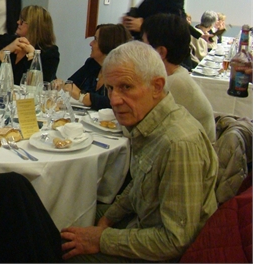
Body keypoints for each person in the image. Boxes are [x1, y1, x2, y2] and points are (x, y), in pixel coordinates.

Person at [61, 41, 218, 262]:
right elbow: (140, 186)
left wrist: (102, 239)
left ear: (157, 86)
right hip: (142, 222)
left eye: (126, 87)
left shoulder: (179, 144)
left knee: (64, 251)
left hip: (165, 254)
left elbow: (176, 241)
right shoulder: (150, 123)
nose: (114, 100)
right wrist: (107, 219)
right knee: (67, 216)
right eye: (110, 88)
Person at [141, 14, 216, 143]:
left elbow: (141, 127)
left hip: (195, 152)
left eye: (144, 45)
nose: (140, 51)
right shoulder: (177, 74)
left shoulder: (174, 83)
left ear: (161, 52)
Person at [53, 24, 131, 110]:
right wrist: (61, 84)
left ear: (107, 43)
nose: (91, 44)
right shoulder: (92, 64)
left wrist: (83, 96)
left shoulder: (122, 74)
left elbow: (117, 102)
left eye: (95, 40)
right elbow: (71, 83)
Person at [0, 5, 59, 84]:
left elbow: (41, 84)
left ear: (34, 26)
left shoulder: (49, 53)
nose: (18, 22)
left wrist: (32, 55)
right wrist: (7, 49)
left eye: (22, 21)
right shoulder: (6, 40)